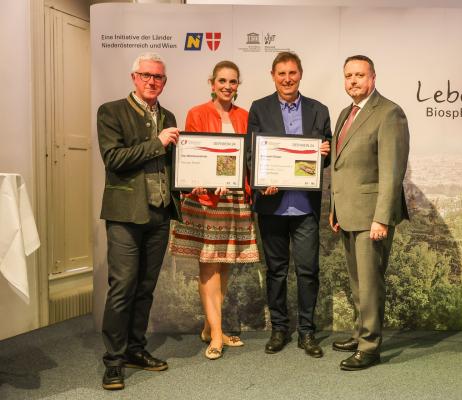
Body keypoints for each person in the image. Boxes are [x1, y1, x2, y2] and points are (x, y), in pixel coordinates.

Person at [97, 52, 180, 390]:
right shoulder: (111, 111)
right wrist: (156, 143)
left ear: (164, 81)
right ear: (134, 77)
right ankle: (113, 362)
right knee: (122, 288)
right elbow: (114, 159)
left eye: (158, 77)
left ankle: (135, 349)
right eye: (145, 75)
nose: (151, 81)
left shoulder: (169, 115)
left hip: (159, 214)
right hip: (125, 215)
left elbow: (175, 163)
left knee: (145, 288)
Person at [169, 61, 260, 360]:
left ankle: (210, 328)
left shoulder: (246, 116)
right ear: (212, 82)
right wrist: (211, 181)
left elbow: (249, 158)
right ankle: (218, 335)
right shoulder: (196, 113)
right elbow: (194, 153)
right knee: (208, 266)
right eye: (222, 80)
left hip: (235, 198)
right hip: (206, 199)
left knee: (225, 265)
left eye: (233, 82)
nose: (227, 86)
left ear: (238, 85)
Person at [247, 51, 331, 358]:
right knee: (276, 271)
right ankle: (279, 329)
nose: (287, 78)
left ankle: (307, 332)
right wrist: (261, 180)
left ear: (300, 74)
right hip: (272, 205)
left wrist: (325, 151)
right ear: (273, 75)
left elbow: (329, 155)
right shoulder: (259, 108)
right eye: (281, 73)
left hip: (305, 206)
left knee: (308, 271)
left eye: (292, 73)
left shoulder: (319, 110)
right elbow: (251, 153)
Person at [329, 55, 410, 371]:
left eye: (359, 75)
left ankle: (370, 347)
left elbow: (392, 172)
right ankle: (361, 333)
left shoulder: (389, 113)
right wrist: (335, 209)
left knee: (370, 282)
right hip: (348, 212)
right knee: (357, 283)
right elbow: (341, 167)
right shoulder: (344, 114)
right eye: (348, 75)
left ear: (373, 77)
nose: (353, 81)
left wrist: (381, 218)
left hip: (371, 216)